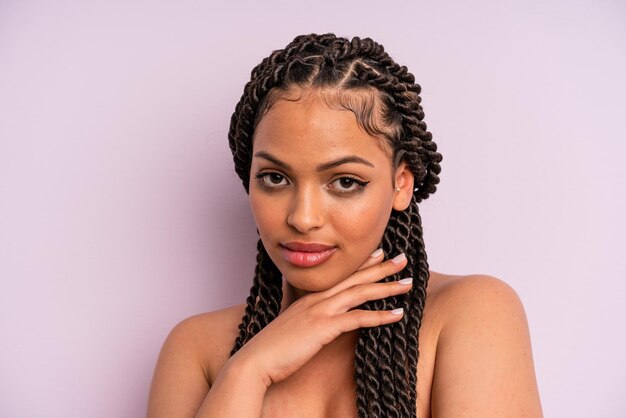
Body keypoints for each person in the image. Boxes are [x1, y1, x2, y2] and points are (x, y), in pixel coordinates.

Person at [146, 33, 543, 418]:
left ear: (401, 184)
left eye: (345, 182)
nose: (302, 218)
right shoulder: (197, 350)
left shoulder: (469, 313)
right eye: (274, 178)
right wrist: (249, 371)